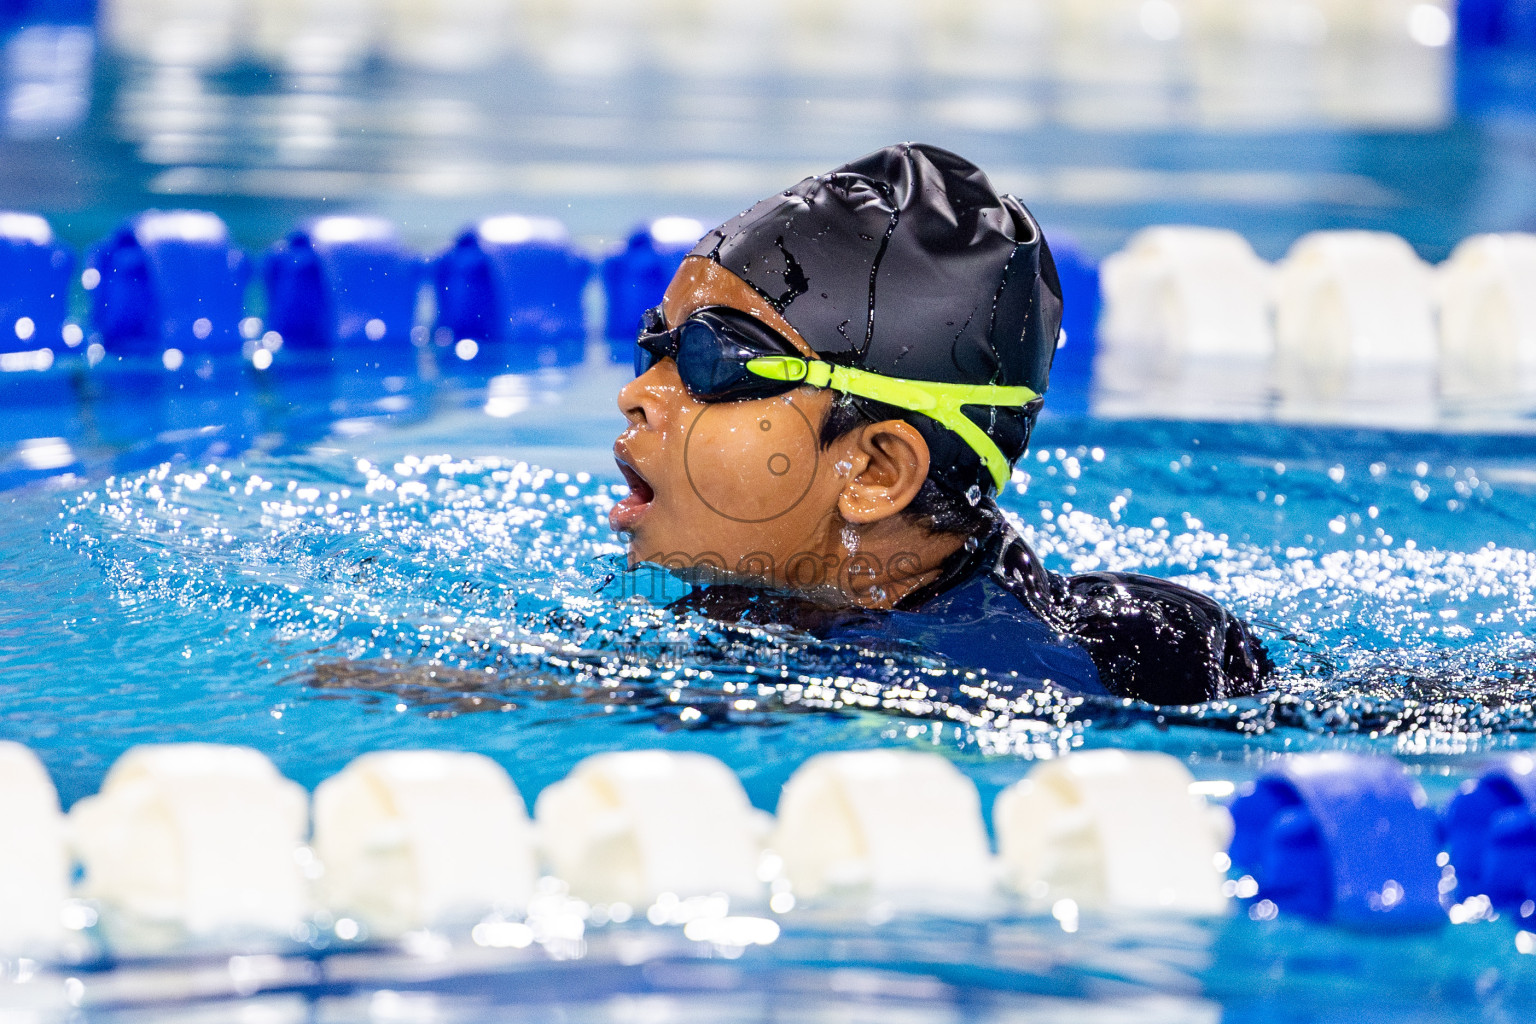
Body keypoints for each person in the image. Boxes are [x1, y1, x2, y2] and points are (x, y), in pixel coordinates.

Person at [609, 142, 1270, 705]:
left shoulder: (933, 688)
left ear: (875, 471)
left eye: (710, 359)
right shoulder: (764, 608)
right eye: (652, 344)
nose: (637, 394)